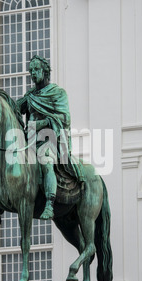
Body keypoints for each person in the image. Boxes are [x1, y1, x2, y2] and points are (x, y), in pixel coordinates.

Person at [16, 55, 84, 220]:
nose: (33, 73)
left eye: (36, 70)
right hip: (30, 140)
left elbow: (64, 118)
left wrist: (43, 123)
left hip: (50, 138)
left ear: (45, 71)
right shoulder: (30, 95)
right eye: (31, 70)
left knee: (46, 162)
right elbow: (16, 109)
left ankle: (49, 204)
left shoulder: (57, 93)